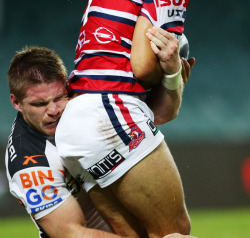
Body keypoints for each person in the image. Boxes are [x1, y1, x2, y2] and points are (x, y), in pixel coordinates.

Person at [55, 0, 240, 237]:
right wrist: (169, 71)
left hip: (75, 123)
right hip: (109, 111)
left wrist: (169, 77)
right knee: (176, 231)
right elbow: (142, 66)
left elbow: (160, 111)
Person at [5, 45, 196, 238]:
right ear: (16, 102)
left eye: (59, 97)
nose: (53, 110)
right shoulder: (28, 164)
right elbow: (72, 233)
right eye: (39, 104)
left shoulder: (86, 98)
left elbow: (157, 115)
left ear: (67, 85)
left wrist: (172, 78)